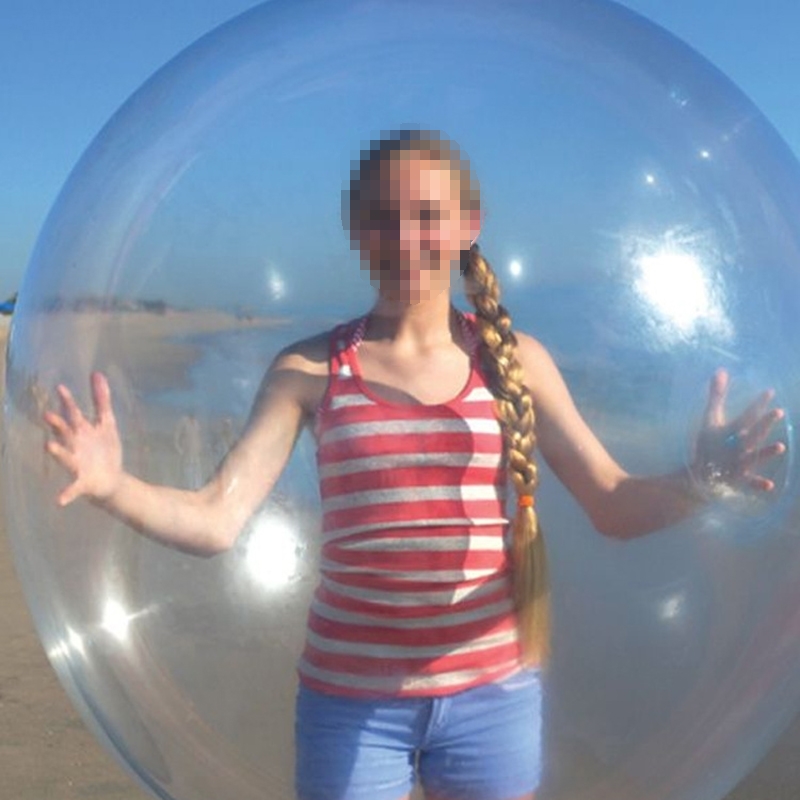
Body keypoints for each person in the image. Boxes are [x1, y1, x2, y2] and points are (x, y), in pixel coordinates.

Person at [43, 129, 785, 800]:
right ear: (357, 232)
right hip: (351, 700)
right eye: (384, 219)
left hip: (493, 694)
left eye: (429, 216)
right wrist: (113, 485)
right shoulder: (309, 368)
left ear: (468, 225)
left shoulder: (513, 363)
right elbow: (215, 518)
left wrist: (702, 483)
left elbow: (610, 502)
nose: (407, 239)